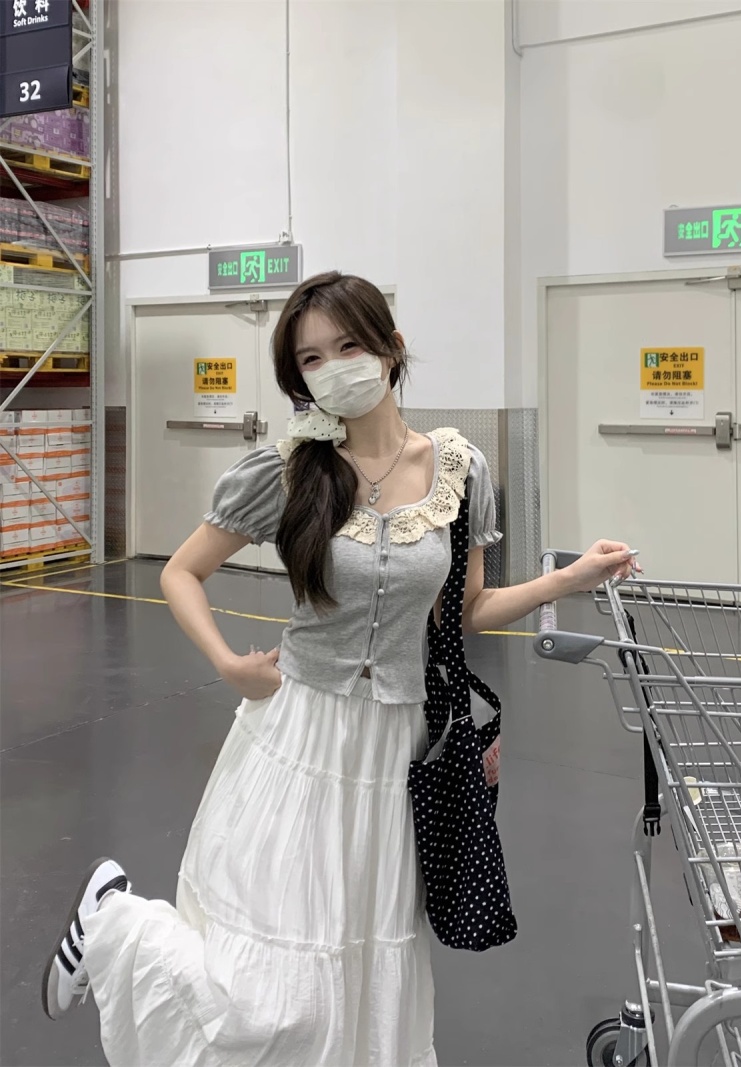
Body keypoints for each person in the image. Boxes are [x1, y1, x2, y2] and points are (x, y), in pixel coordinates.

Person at [42, 272, 638, 1066]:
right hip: (296, 736)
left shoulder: (459, 471)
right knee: (270, 995)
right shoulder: (290, 470)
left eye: (348, 345)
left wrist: (570, 578)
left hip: (396, 751)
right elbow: (181, 571)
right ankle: (115, 922)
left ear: (391, 347)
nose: (333, 369)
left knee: (359, 978)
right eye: (311, 359)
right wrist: (228, 663)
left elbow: (466, 609)